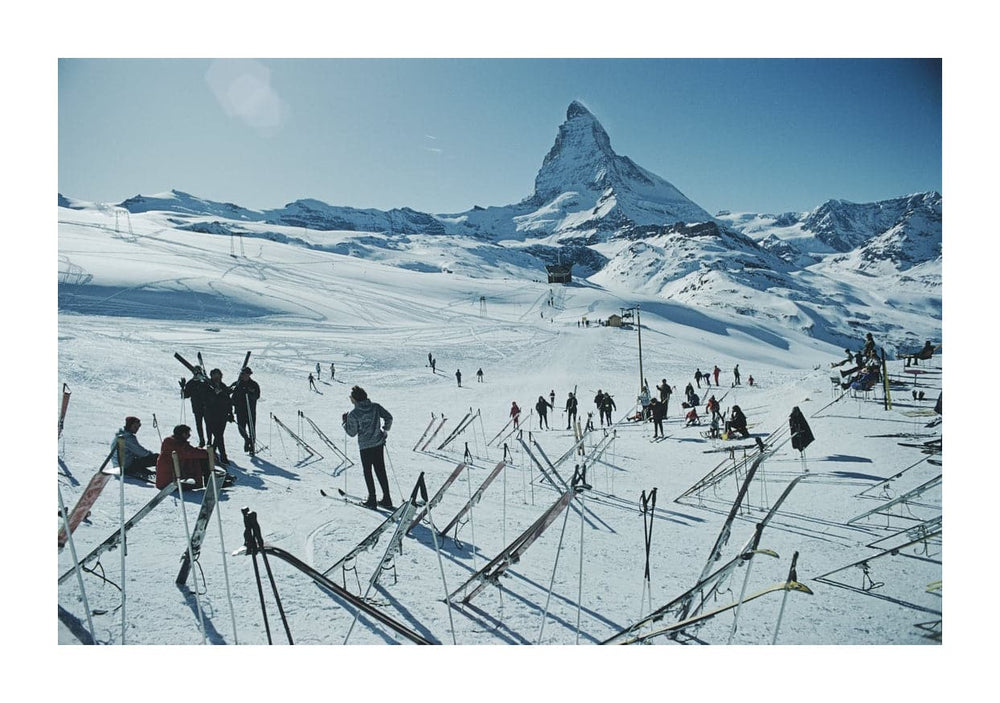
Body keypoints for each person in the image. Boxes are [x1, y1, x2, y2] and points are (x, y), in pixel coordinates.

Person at [342, 385, 394, 510]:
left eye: (351, 397)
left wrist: (345, 422)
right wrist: (385, 430)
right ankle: (387, 498)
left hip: (365, 446)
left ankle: (372, 499)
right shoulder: (375, 407)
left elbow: (352, 433)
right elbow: (389, 417)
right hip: (378, 443)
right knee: (380, 470)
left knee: (368, 471)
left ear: (355, 399)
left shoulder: (354, 414)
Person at [155, 424, 211, 490]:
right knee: (200, 457)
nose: (189, 436)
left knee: (199, 456)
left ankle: (209, 479)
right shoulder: (174, 443)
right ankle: (209, 480)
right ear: (183, 434)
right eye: (188, 433)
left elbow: (190, 451)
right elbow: (189, 452)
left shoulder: (174, 442)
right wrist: (209, 453)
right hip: (169, 483)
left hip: (168, 480)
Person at [111, 416, 158, 481]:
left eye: (138, 427)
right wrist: (153, 456)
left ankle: (146, 472)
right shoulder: (128, 438)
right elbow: (142, 452)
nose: (137, 429)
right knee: (156, 458)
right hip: (125, 467)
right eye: (135, 427)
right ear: (129, 425)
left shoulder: (120, 435)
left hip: (119, 466)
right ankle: (164, 473)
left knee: (141, 463)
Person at [204, 368, 233, 466]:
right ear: (211, 376)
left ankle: (212, 454)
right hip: (210, 415)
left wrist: (230, 413)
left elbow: (228, 401)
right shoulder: (207, 386)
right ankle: (223, 456)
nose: (217, 378)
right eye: (215, 375)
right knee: (218, 436)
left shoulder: (223, 386)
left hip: (222, 415)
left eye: (218, 375)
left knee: (218, 436)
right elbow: (205, 400)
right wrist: (214, 394)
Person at [231, 367, 261, 455]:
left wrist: (250, 393)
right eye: (244, 374)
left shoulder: (254, 384)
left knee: (252, 429)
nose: (245, 376)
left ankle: (252, 446)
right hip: (240, 410)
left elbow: (257, 396)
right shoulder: (237, 384)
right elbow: (231, 395)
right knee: (241, 428)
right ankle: (246, 440)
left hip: (250, 410)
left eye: (247, 375)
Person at [181, 367, 211, 447]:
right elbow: (185, 395)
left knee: (208, 425)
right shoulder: (191, 383)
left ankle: (209, 441)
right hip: (197, 407)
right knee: (199, 425)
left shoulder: (205, 382)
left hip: (206, 407)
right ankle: (202, 440)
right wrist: (183, 388)